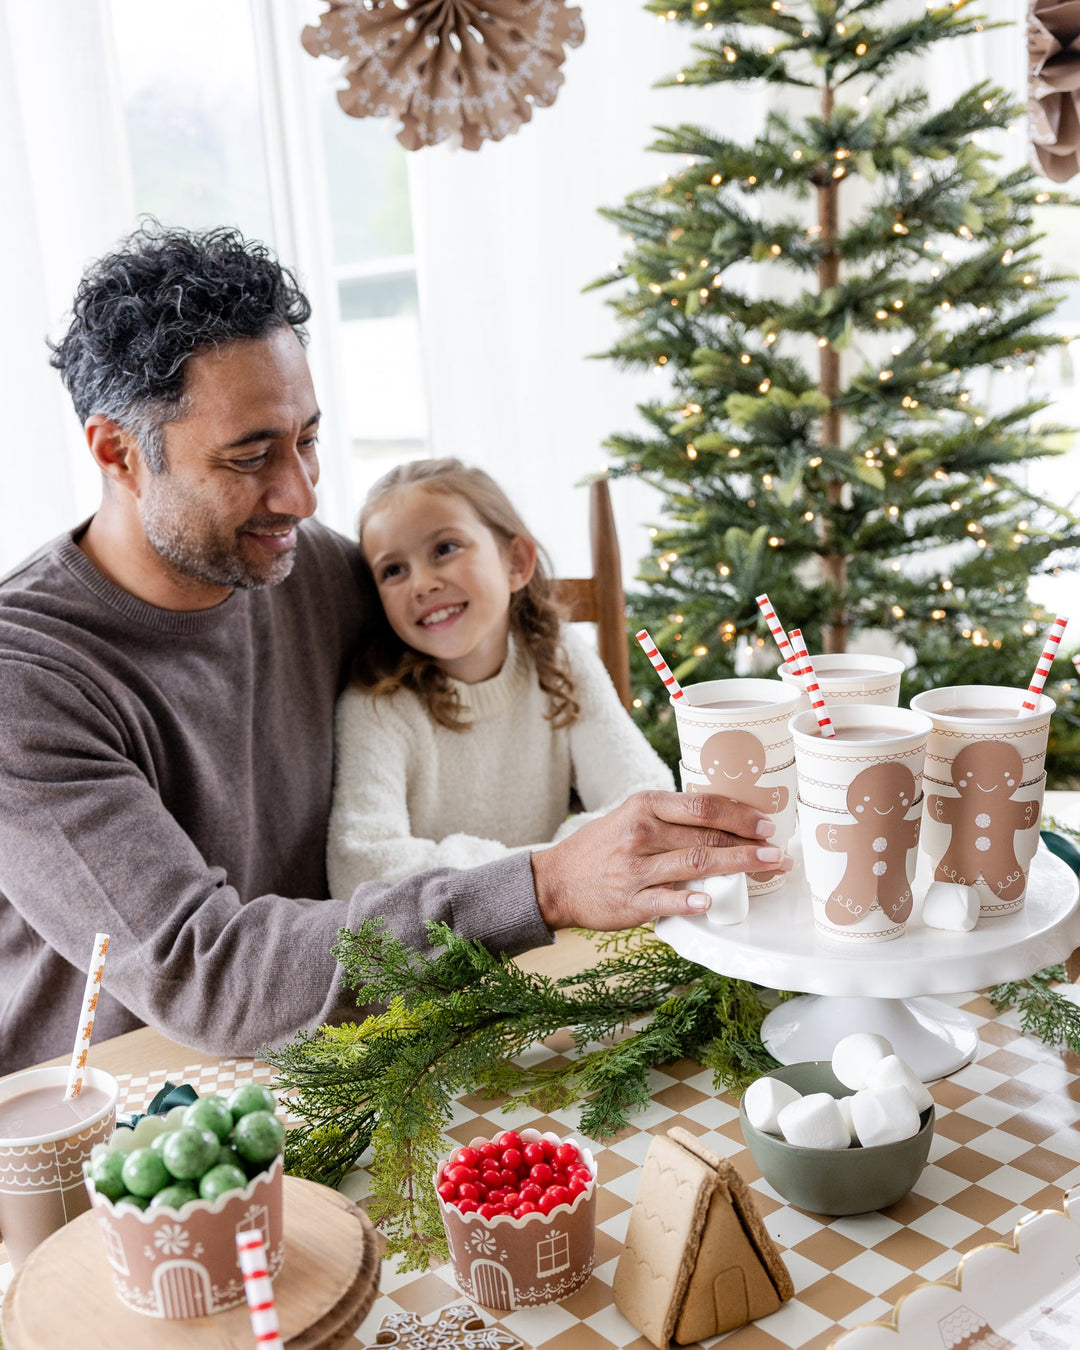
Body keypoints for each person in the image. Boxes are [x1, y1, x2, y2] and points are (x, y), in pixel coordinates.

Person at [0, 223, 790, 1076]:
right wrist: (547, 882)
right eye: (251, 455)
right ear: (118, 452)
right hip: (104, 1114)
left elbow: (505, 655)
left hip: (342, 1055)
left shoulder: (310, 570)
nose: (300, 495)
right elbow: (207, 971)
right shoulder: (27, 681)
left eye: (307, 439)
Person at [326, 458, 675, 896]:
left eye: (444, 549)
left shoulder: (560, 657)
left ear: (516, 561)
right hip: (442, 950)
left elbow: (645, 795)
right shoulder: (376, 706)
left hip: (562, 928)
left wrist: (545, 879)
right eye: (393, 570)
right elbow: (360, 869)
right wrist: (552, 872)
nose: (422, 584)